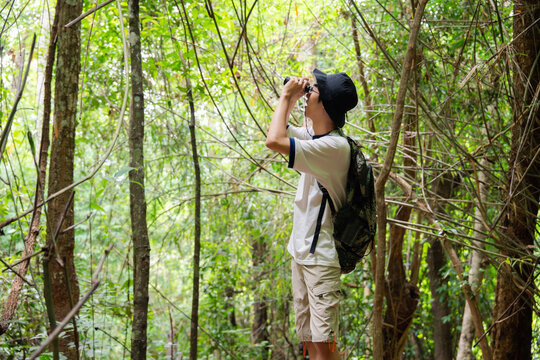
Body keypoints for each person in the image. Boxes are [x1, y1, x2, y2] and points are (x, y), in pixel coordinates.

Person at [265, 68, 358, 360]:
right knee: (310, 344)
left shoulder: (334, 147)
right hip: (301, 254)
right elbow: (276, 131)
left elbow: (273, 141)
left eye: (313, 91)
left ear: (326, 106)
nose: (308, 93)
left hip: (320, 261)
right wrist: (293, 98)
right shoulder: (316, 136)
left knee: (325, 349)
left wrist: (286, 96)